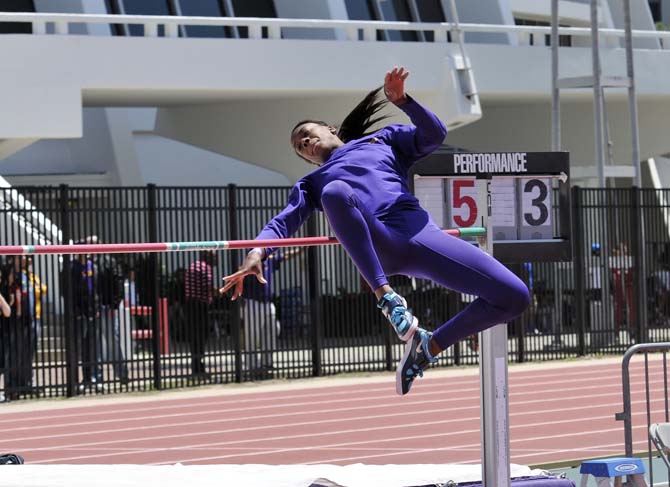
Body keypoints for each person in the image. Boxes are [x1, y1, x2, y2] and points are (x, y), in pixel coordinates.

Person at [221, 67, 530, 395]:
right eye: (300, 147)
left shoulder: (381, 140)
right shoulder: (314, 182)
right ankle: (387, 299)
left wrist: (405, 102)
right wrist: (257, 252)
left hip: (420, 236)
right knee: (335, 192)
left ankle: (429, 347)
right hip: (379, 244)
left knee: (514, 296)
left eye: (308, 134)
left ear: (330, 129)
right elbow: (282, 222)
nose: (306, 143)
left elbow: (434, 135)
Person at [242, 247, 302, 378]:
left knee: (274, 329)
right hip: (253, 302)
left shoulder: (269, 261)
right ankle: (252, 365)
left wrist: (300, 249)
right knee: (252, 335)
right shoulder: (249, 265)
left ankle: (266, 362)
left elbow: (285, 256)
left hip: (268, 302)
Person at [185, 250, 217, 380]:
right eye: (215, 257)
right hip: (200, 306)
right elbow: (208, 287)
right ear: (207, 257)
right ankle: (199, 368)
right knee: (201, 336)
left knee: (194, 338)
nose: (216, 260)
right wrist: (220, 292)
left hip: (190, 305)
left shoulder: (193, 266)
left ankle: (196, 366)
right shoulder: (205, 268)